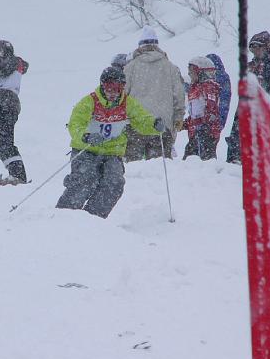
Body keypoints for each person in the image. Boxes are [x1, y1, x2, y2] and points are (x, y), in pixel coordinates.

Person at [56, 67, 164, 218]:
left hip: (112, 152)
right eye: (109, 88)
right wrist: (86, 136)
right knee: (86, 179)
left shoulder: (127, 103)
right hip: (87, 149)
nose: (113, 93)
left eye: (117, 89)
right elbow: (75, 124)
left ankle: (93, 217)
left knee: (115, 182)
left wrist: (154, 124)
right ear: (102, 85)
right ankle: (64, 214)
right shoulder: (90, 102)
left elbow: (142, 120)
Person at [226, 31, 270, 163]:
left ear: (267, 47)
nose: (255, 51)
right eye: (253, 48)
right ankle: (236, 161)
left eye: (258, 47)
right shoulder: (251, 67)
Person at [123, 26, 185, 161]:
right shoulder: (171, 67)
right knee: (159, 168)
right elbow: (179, 96)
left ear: (140, 46)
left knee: (134, 167)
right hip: (161, 125)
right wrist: (178, 117)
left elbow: (122, 95)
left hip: (135, 125)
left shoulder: (130, 67)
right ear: (157, 46)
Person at [0, 40, 29, 183]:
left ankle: (18, 176)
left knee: (4, 143)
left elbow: (2, 70)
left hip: (6, 104)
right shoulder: (1, 63)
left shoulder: (15, 61)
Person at [180, 56, 221, 160]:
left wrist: (202, 127)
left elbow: (211, 112)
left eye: (191, 71)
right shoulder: (194, 89)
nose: (189, 74)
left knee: (203, 162)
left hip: (206, 134)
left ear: (201, 72)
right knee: (189, 160)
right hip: (196, 134)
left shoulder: (208, 87)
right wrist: (185, 124)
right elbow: (195, 114)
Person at [206, 54, 232, 131]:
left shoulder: (219, 78)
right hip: (212, 121)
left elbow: (224, 100)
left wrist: (219, 121)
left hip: (212, 121)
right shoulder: (222, 77)